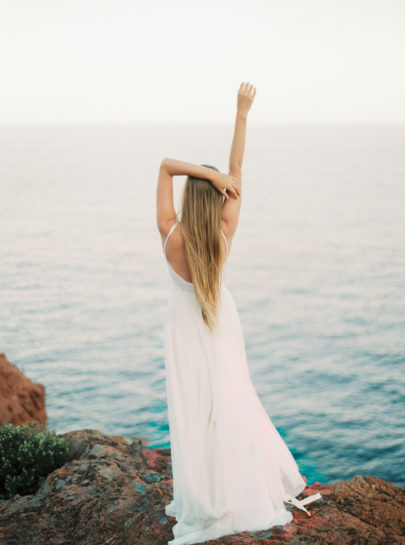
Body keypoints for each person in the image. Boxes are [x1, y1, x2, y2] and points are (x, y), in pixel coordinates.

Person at [156, 81, 321, 545]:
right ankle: (239, 486)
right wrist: (242, 113)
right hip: (218, 322)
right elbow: (237, 168)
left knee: (195, 413)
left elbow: (166, 165)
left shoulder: (170, 234)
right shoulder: (224, 235)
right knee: (229, 405)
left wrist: (202, 175)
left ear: (191, 197)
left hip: (183, 326)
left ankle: (204, 492)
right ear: (220, 199)